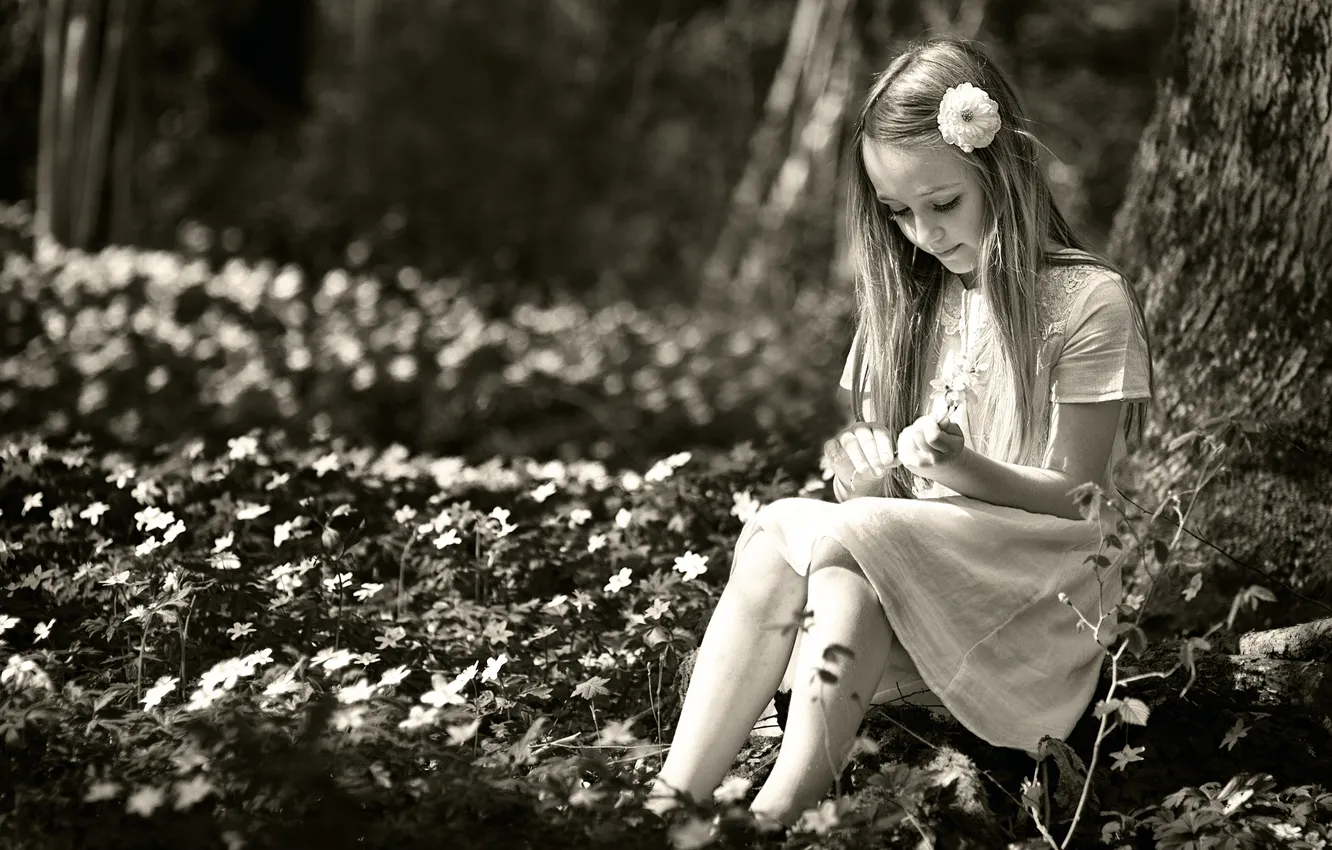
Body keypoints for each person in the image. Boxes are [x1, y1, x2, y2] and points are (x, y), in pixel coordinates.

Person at [646, 33, 1154, 828]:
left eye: (942, 204)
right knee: (780, 525)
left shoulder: (1086, 300)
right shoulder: (908, 303)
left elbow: (1077, 499)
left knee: (866, 532)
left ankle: (776, 816)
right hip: (921, 564)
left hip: (1035, 585)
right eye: (897, 213)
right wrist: (862, 473)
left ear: (1001, 170)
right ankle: (670, 805)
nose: (922, 234)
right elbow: (874, 486)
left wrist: (958, 470)